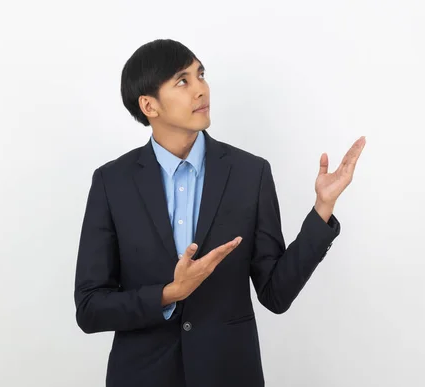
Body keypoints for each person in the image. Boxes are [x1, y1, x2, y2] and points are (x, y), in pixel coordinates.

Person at [74, 38, 366, 387]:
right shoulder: (112, 182)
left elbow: (275, 294)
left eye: (201, 75)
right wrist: (169, 293)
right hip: (142, 375)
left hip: (229, 373)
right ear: (149, 105)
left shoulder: (249, 173)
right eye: (183, 81)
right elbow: (91, 307)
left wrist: (322, 210)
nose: (201, 89)